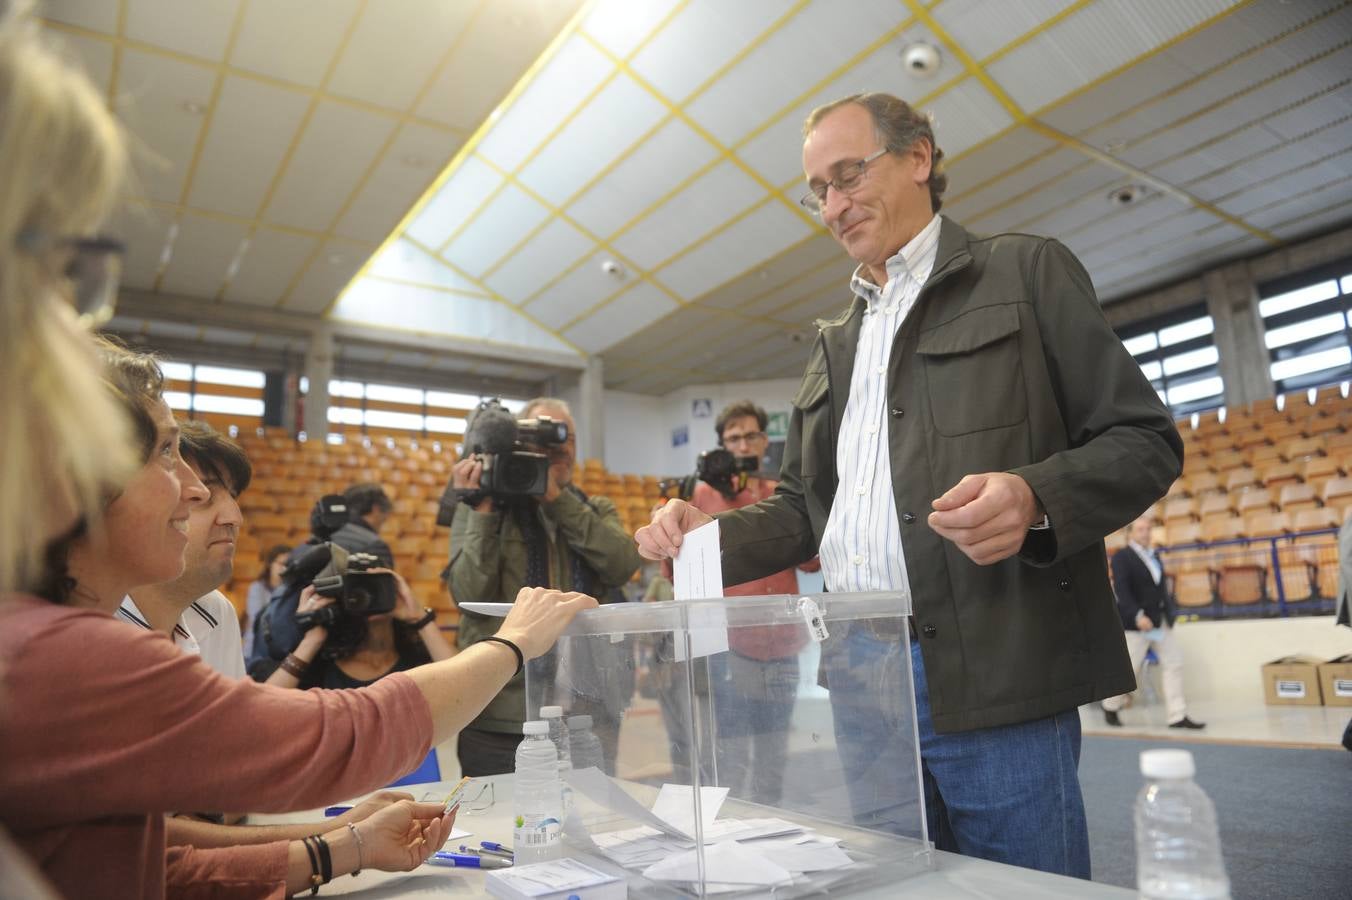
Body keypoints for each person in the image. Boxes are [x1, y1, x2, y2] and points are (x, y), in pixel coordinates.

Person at [0, 17, 598, 891]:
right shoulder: (55, 654)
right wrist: (509, 646)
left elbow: (136, 859)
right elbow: (334, 739)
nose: (189, 491)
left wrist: (338, 848)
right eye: (60, 284)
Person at [636, 92, 1183, 878]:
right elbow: (801, 508)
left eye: (848, 174)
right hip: (862, 681)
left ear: (919, 157)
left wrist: (1034, 496)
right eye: (817, 190)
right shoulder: (835, 343)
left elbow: (1144, 440)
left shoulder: (1025, 274)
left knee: (1026, 890)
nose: (832, 205)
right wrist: (705, 534)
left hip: (997, 669)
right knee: (905, 888)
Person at [447, 397, 642, 776]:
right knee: (503, 829)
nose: (556, 447)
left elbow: (622, 564)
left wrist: (555, 497)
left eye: (564, 437)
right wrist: (482, 511)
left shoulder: (595, 507)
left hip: (589, 710)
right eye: (540, 436)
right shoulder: (483, 508)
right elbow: (468, 594)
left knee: (594, 819)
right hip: (503, 715)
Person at [692, 400, 820, 805]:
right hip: (729, 649)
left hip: (781, 644)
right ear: (721, 445)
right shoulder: (700, 497)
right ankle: (729, 831)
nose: (744, 445)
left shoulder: (782, 497)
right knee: (729, 750)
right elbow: (673, 572)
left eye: (752, 435)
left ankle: (770, 824)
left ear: (766, 441)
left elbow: (814, 562)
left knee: (773, 749)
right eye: (734, 438)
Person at [119, 420, 250, 679]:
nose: (234, 517)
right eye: (201, 497)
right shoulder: (78, 624)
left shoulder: (218, 612)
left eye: (233, 495)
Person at [265, 567, 454, 690]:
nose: (369, 597)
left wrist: (420, 618)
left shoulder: (415, 660)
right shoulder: (323, 666)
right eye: (359, 592)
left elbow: (461, 680)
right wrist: (311, 639)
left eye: (377, 587)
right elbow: (267, 703)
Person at [1102, 516, 1204, 729]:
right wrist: (1138, 615)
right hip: (1137, 624)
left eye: (1148, 529)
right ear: (1130, 533)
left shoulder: (1154, 555)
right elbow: (1122, 591)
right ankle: (1110, 706)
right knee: (1129, 670)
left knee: (1174, 663)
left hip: (1160, 622)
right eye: (1141, 529)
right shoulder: (1122, 557)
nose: (1146, 533)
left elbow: (1159, 589)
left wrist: (1168, 613)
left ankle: (1177, 715)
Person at [242, 543, 290, 660]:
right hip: (255, 651)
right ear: (270, 564)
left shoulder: (290, 590)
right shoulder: (257, 587)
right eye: (282, 564)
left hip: (279, 651)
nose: (285, 568)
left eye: (289, 565)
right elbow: (257, 618)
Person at [332, 481, 395, 567]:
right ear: (376, 508)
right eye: (384, 517)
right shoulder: (374, 546)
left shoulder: (319, 538)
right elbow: (383, 580)